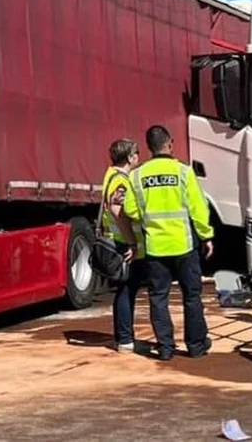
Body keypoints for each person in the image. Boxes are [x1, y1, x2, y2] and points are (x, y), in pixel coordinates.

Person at [123, 125, 214, 361]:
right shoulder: (183, 172)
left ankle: (165, 347)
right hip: (183, 245)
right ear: (170, 143)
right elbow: (198, 208)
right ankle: (196, 345)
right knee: (191, 296)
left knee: (158, 298)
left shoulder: (137, 176)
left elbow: (130, 209)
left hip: (155, 247)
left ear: (148, 147)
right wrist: (206, 235)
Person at [100, 138, 145, 353]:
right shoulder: (120, 180)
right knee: (127, 289)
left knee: (125, 290)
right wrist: (132, 242)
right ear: (129, 157)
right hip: (123, 243)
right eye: (136, 154)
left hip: (119, 240)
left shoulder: (113, 176)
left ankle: (124, 337)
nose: (139, 158)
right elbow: (118, 212)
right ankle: (125, 339)